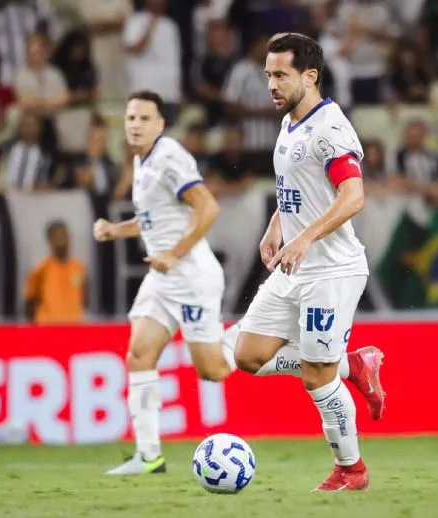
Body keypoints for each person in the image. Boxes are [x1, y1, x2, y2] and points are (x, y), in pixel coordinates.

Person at [232, 33, 384, 492]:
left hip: (331, 271)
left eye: (281, 75)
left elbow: (353, 196)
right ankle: (353, 364)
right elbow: (298, 187)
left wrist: (304, 238)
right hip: (295, 262)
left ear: (310, 77)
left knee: (315, 379)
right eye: (269, 75)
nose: (272, 85)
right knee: (248, 356)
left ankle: (351, 469)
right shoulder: (291, 122)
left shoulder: (330, 130)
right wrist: (277, 225)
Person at [93, 90, 239, 476]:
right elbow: (154, 218)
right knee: (139, 354)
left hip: (190, 276)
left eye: (144, 118)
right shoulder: (143, 163)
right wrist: (115, 230)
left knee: (213, 371)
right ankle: (149, 455)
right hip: (162, 280)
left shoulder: (170, 157)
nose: (136, 125)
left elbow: (208, 207)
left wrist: (175, 253)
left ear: (160, 124)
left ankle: (259, 329)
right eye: (131, 118)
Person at [25, 221, 87, 324]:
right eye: (58, 236)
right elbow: (29, 302)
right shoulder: (41, 269)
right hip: (47, 330)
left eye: (65, 235)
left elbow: (84, 299)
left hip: (74, 330)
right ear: (50, 239)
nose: (63, 240)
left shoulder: (79, 267)